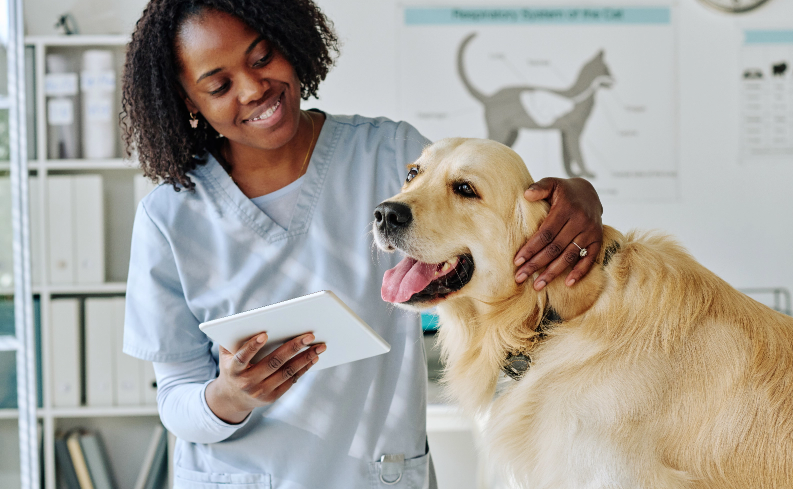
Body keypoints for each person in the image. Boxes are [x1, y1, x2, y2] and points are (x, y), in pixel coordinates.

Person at [120, 0, 604, 487]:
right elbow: (176, 400)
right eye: (219, 86)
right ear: (188, 101)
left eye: (263, 57)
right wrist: (230, 396)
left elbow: (489, 214)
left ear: (289, 42)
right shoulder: (169, 217)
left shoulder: (391, 154)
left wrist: (575, 195)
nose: (253, 88)